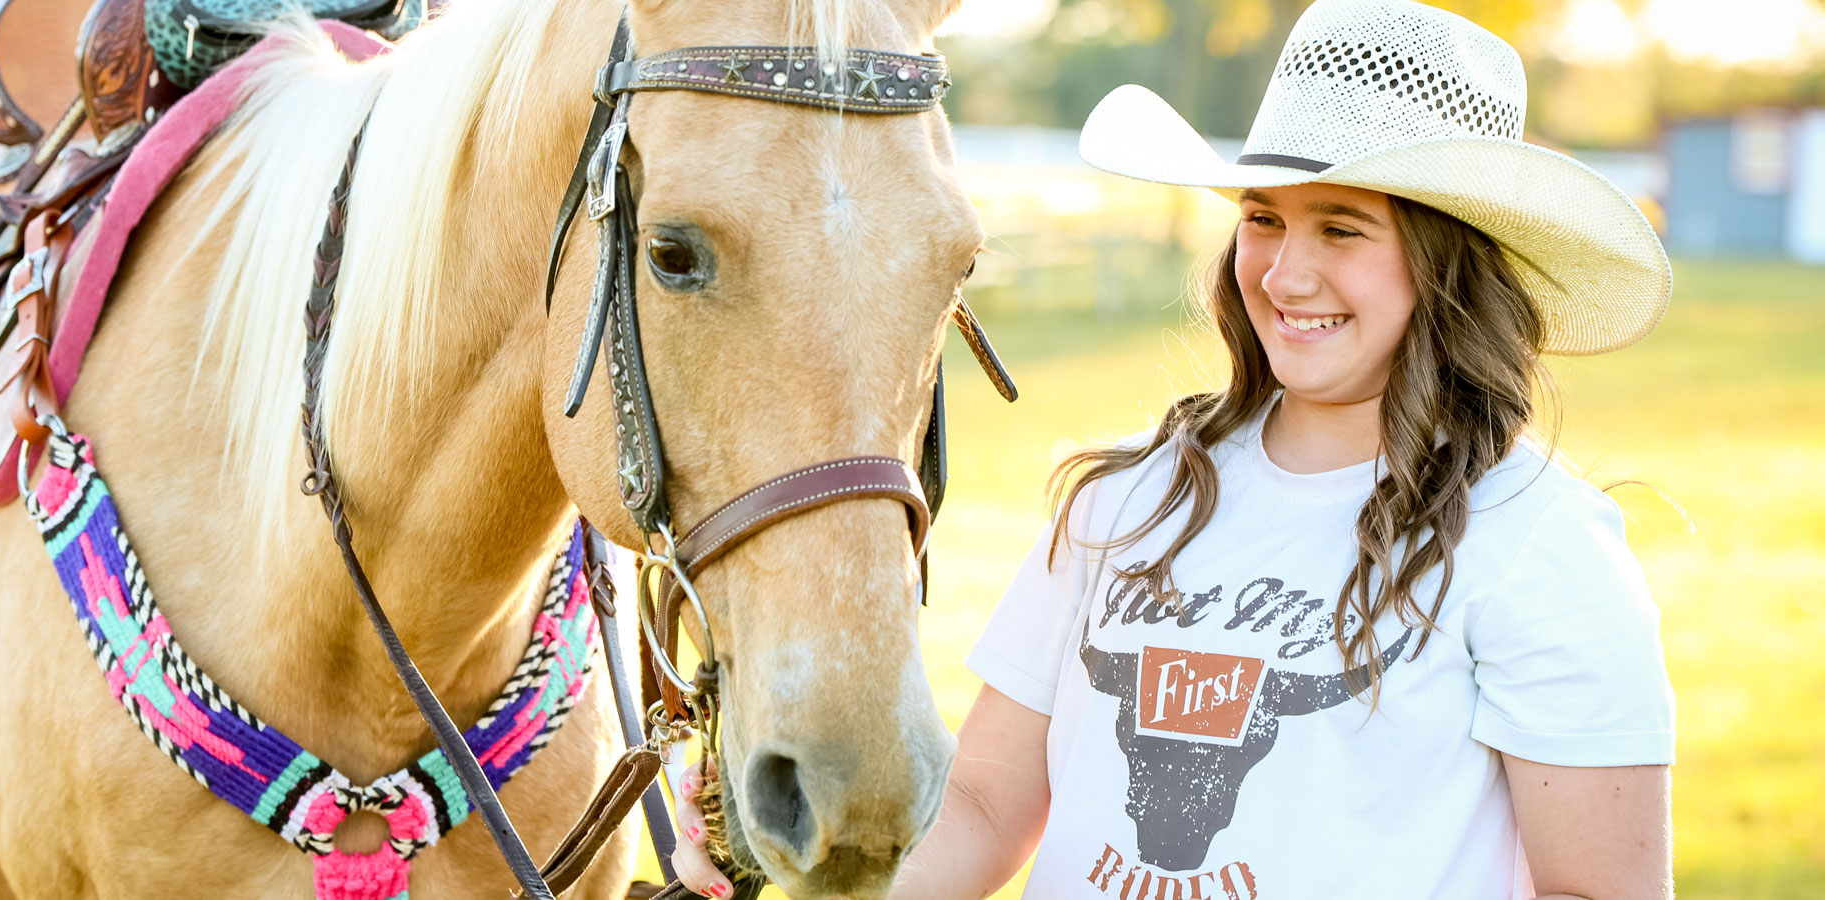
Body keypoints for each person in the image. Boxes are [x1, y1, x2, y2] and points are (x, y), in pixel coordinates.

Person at [666, 0, 1678, 896]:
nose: (1284, 274)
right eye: (1262, 219)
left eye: (1342, 230)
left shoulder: (1534, 541)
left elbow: (1598, 889)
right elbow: (979, 806)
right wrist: (790, 860)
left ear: (1444, 263)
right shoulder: (1127, 499)